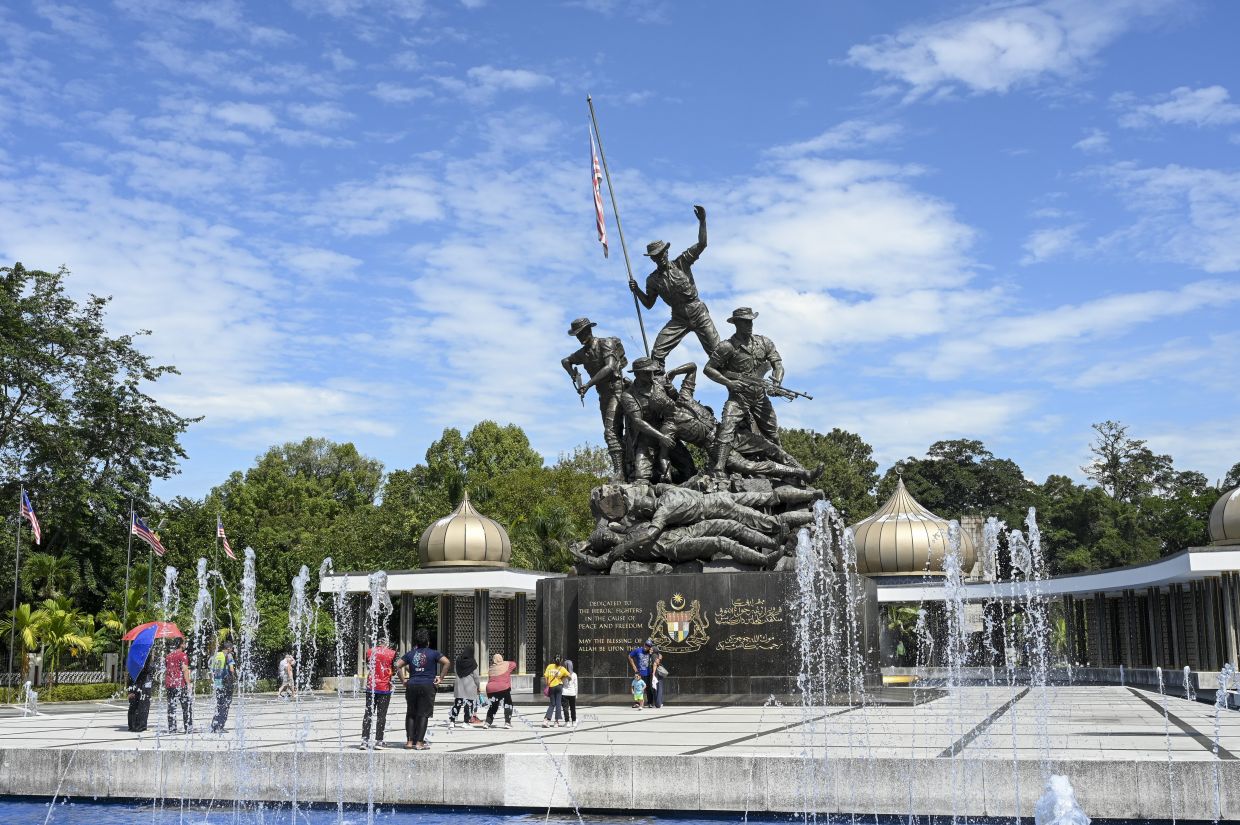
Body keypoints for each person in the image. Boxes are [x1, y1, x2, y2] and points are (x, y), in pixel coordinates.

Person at [628, 204, 720, 367]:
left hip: (698, 312)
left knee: (718, 354)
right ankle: (658, 384)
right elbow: (649, 304)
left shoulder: (682, 263)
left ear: (666, 252)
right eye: (656, 256)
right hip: (678, 318)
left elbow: (702, 244)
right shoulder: (652, 280)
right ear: (652, 259)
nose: (660, 257)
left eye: (661, 253)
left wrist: (703, 222)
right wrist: (637, 291)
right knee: (657, 353)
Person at [704, 307, 790, 475]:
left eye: (751, 320)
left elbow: (778, 365)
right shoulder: (727, 347)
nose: (749, 324)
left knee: (772, 434)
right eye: (745, 321)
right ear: (736, 323)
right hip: (738, 397)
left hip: (760, 397)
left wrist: (777, 381)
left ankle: (786, 469)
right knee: (727, 429)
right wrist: (729, 383)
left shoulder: (764, 342)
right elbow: (708, 369)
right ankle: (719, 468)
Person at [561, 317, 629, 480]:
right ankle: (624, 469)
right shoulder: (583, 353)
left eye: (580, 333)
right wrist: (574, 375)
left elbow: (610, 367)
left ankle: (619, 472)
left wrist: (588, 384)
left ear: (588, 330)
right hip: (603, 394)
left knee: (610, 431)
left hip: (617, 390)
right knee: (613, 432)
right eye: (576, 335)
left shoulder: (606, 343)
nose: (578, 337)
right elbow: (565, 361)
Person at [396, 628, 449, 750]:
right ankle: (419, 742)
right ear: (428, 642)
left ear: (416, 643)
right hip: (427, 685)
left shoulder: (410, 654)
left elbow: (397, 665)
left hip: (412, 684)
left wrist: (403, 680)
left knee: (411, 713)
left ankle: (409, 742)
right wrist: (440, 678)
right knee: (423, 714)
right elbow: (446, 662)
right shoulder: (433, 653)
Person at [360, 641, 396, 749]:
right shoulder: (391, 653)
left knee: (368, 713)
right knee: (381, 715)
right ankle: (379, 741)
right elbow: (394, 669)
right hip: (384, 688)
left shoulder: (370, 652)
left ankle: (364, 741)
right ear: (386, 641)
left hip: (371, 687)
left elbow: (368, 664)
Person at [448, 645, 481, 729]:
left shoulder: (458, 660)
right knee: (468, 705)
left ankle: (452, 721)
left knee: (457, 704)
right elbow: (476, 676)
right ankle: (465, 722)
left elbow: (456, 671)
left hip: (459, 685)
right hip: (470, 686)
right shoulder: (472, 662)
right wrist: (478, 686)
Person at [164, 637, 192, 733]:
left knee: (171, 707)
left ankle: (172, 728)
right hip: (180, 684)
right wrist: (188, 683)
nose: (185, 645)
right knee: (186, 707)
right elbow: (184, 670)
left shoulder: (168, 655)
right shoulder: (183, 655)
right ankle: (188, 728)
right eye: (184, 643)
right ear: (180, 644)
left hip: (169, 684)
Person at [209, 640, 237, 733]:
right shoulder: (228, 655)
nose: (232, 649)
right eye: (231, 648)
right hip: (226, 683)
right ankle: (220, 726)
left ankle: (214, 725)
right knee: (226, 705)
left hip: (218, 683)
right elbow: (231, 669)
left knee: (219, 704)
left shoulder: (216, 655)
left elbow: (212, 669)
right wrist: (233, 678)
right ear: (228, 648)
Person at [483, 652, 517, 729]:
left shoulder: (491, 668)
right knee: (508, 704)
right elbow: (514, 664)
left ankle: (487, 723)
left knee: (493, 706)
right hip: (503, 688)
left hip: (490, 689)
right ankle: (507, 723)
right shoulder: (507, 665)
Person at [127, 659, 154, 732]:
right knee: (143, 705)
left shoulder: (133, 660)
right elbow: (148, 670)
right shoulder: (145, 659)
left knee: (133, 704)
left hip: (134, 684)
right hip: (144, 685)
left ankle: (132, 725)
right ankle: (141, 726)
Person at [542, 656, 569, 727]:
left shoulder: (550, 666)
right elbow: (569, 677)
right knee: (558, 704)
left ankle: (546, 720)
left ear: (553, 660)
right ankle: (556, 722)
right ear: (561, 660)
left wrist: (547, 683)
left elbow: (545, 676)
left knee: (552, 704)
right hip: (559, 686)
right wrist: (562, 678)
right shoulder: (562, 669)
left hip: (551, 687)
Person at [628, 639, 656, 709]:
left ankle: (650, 703)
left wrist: (652, 653)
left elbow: (659, 656)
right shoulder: (638, 650)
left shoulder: (651, 652)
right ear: (644, 644)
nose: (646, 647)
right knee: (637, 687)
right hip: (639, 673)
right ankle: (637, 703)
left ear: (650, 647)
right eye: (646, 645)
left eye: (648, 646)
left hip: (648, 673)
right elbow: (630, 656)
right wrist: (634, 666)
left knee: (648, 688)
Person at [561, 659, 579, 728]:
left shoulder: (563, 675)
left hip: (564, 693)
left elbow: (561, 684)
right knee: (573, 708)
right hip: (572, 693)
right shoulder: (574, 675)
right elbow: (576, 685)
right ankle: (574, 722)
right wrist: (576, 694)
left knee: (565, 708)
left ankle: (567, 722)